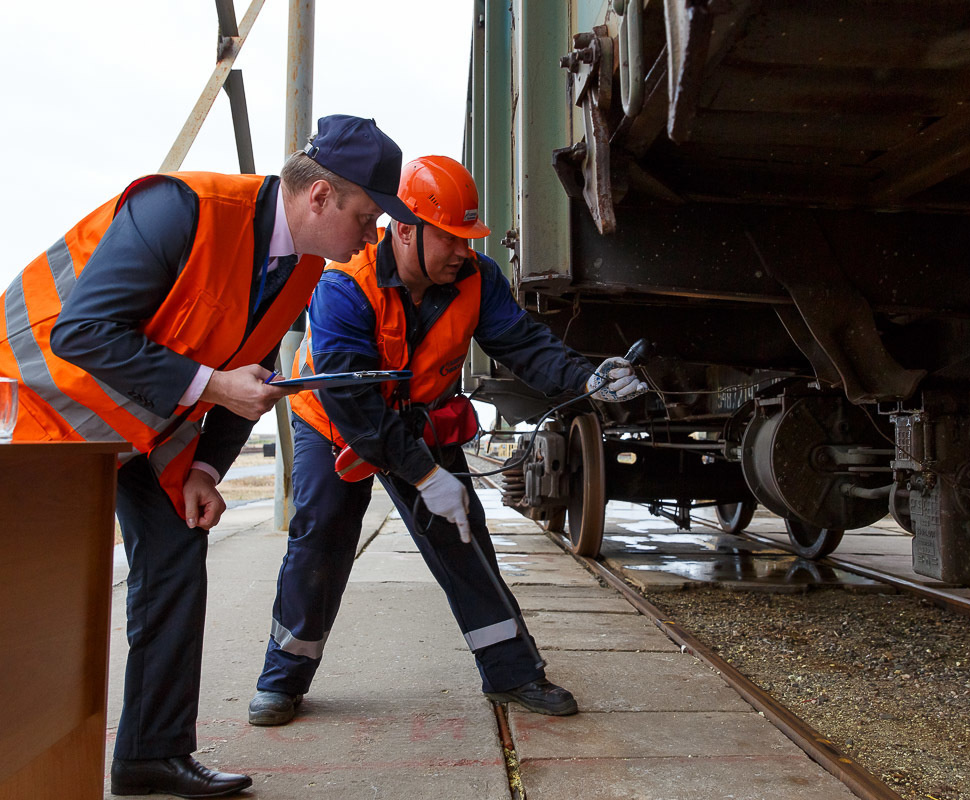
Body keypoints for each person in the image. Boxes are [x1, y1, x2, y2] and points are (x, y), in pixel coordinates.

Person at [0, 115, 418, 798]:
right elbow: (82, 333)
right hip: (38, 418)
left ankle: (150, 756)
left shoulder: (303, 269)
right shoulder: (181, 209)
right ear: (319, 198)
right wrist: (212, 386)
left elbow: (248, 371)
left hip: (140, 436)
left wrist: (203, 468)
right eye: (366, 215)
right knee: (34, 604)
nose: (371, 236)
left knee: (176, 561)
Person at [248, 155, 646, 726]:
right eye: (452, 238)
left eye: (468, 237)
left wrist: (586, 379)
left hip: (418, 421)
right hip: (336, 424)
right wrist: (427, 476)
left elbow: (523, 343)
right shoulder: (343, 283)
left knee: (464, 542)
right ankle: (282, 680)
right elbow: (353, 405)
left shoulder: (476, 278)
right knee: (321, 541)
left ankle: (513, 675)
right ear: (405, 229)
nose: (464, 250)